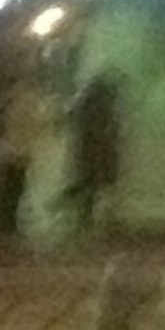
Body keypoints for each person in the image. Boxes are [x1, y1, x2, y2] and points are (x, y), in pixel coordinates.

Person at [0, 56, 49, 244]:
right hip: (17, 146)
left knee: (11, 185)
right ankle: (5, 224)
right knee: (13, 185)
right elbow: (30, 122)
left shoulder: (15, 98)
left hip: (15, 145)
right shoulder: (27, 99)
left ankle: (4, 223)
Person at [66, 61, 127, 241]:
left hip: (90, 147)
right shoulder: (104, 103)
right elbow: (111, 126)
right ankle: (93, 217)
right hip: (101, 148)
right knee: (98, 183)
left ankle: (85, 215)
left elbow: (76, 118)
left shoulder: (86, 101)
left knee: (90, 183)